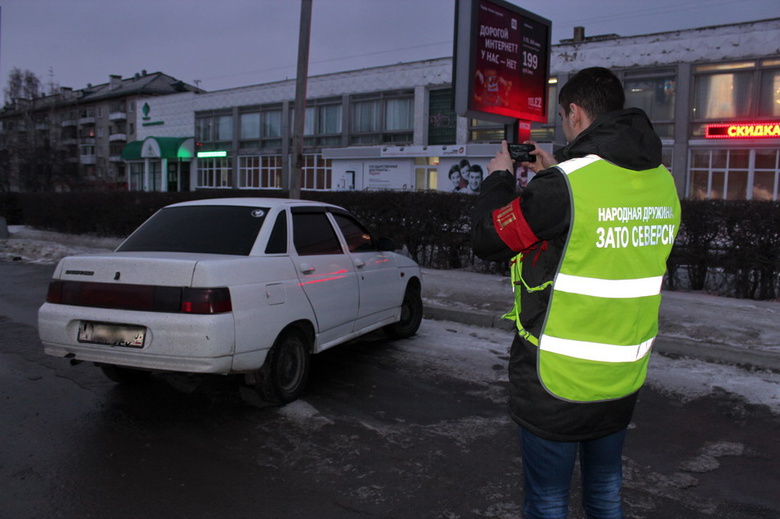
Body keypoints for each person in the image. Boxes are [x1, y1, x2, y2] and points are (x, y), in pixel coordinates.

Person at [470, 67, 681, 519]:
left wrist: (500, 178)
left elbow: (488, 237)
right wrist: (556, 172)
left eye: (564, 116)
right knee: (605, 495)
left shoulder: (565, 187)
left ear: (577, 113)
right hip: (621, 381)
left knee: (548, 500)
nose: (564, 124)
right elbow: (602, 235)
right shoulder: (662, 181)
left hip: (557, 385)